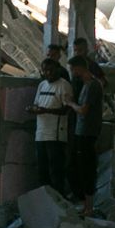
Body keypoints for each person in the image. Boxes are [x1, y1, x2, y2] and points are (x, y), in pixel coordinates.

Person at [67, 55, 103, 216]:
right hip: (81, 132)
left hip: (87, 133)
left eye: (73, 69)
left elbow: (83, 110)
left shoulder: (92, 86)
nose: (72, 72)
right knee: (76, 168)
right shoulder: (85, 85)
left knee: (86, 169)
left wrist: (70, 103)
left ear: (80, 68)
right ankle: (84, 204)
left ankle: (88, 207)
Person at [30, 58, 72, 195]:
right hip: (41, 133)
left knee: (56, 170)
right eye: (45, 71)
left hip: (56, 135)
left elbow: (66, 110)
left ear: (57, 70)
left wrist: (46, 111)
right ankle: (45, 198)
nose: (48, 73)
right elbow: (37, 103)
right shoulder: (42, 85)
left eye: (51, 70)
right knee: (42, 169)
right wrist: (33, 109)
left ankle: (59, 198)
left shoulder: (64, 85)